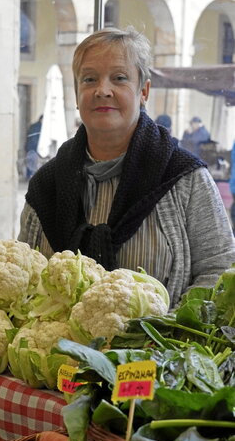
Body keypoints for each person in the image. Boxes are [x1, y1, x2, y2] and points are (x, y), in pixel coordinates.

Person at [18, 26, 235, 307]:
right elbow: (24, 271)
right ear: (76, 93)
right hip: (59, 349)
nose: (102, 90)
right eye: (89, 79)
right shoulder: (46, 185)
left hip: (160, 349)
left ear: (143, 90)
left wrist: (167, 333)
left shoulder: (185, 177)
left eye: (119, 78)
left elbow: (220, 271)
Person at [25, 115, 43, 180]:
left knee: (30, 162)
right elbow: (35, 139)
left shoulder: (33, 126)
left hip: (29, 147)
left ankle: (29, 176)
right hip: (34, 147)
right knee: (33, 162)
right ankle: (31, 177)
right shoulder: (40, 127)